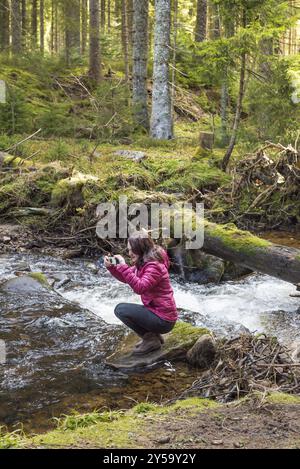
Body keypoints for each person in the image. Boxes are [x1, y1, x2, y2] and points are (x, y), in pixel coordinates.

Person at [104, 232, 178, 355]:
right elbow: (127, 278)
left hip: (164, 320)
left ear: (140, 249)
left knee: (121, 309)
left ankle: (151, 340)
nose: (129, 253)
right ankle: (153, 337)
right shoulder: (144, 262)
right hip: (157, 313)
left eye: (131, 250)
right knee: (122, 309)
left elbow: (140, 287)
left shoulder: (154, 266)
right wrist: (112, 268)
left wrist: (123, 266)